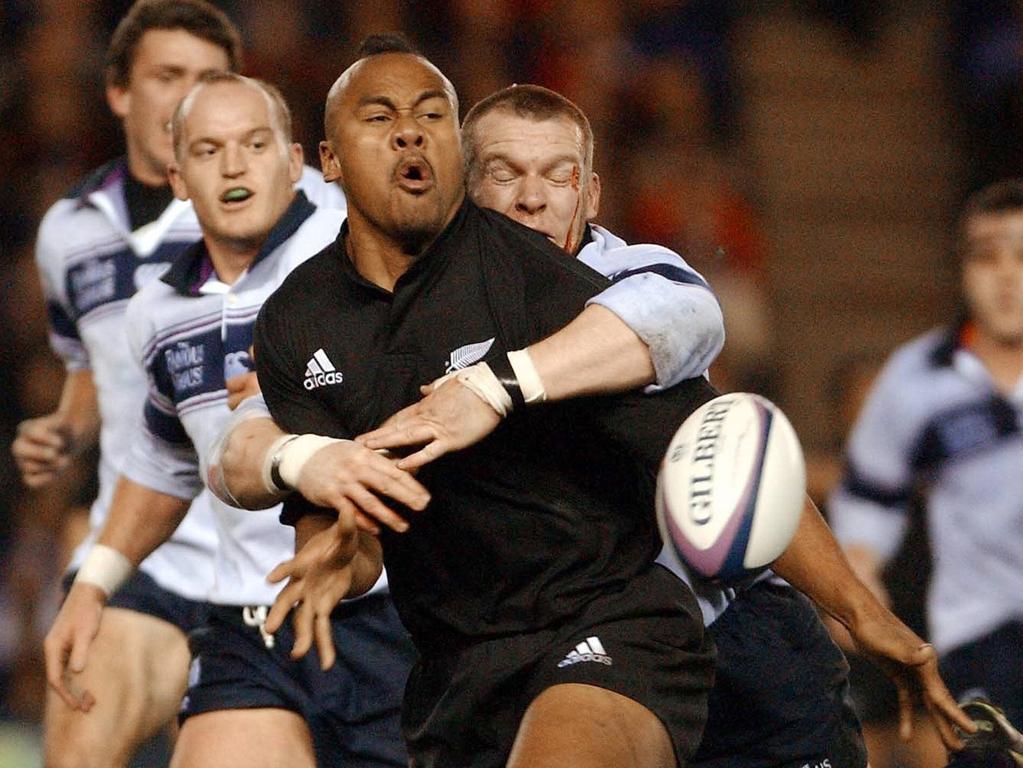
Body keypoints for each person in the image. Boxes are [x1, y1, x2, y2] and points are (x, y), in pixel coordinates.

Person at [248, 41, 972, 767]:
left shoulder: (586, 286)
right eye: (503, 172)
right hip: (465, 663)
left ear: (590, 196)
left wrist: (862, 613)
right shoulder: (298, 321)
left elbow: (701, 377)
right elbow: (325, 505)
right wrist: (334, 552)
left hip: (655, 628)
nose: (532, 197)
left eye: (556, 175)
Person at [43, 72, 411, 768]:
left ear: (294, 161)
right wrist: (93, 583)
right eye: (209, 151)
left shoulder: (360, 247)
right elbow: (161, 465)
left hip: (391, 617)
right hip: (253, 622)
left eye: (254, 144)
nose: (234, 165)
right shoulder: (158, 313)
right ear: (180, 177)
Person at [12, 4, 240, 766]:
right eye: (166, 76)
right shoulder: (68, 230)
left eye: (207, 80)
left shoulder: (286, 211)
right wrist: (65, 429)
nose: (185, 97)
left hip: (257, 568)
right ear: (118, 92)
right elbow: (90, 370)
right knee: (74, 750)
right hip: (140, 559)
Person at [829, 178, 1023, 766]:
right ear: (961, 269)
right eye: (987, 255)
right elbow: (868, 494)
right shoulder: (913, 382)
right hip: (978, 638)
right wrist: (859, 568)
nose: (1007, 274)